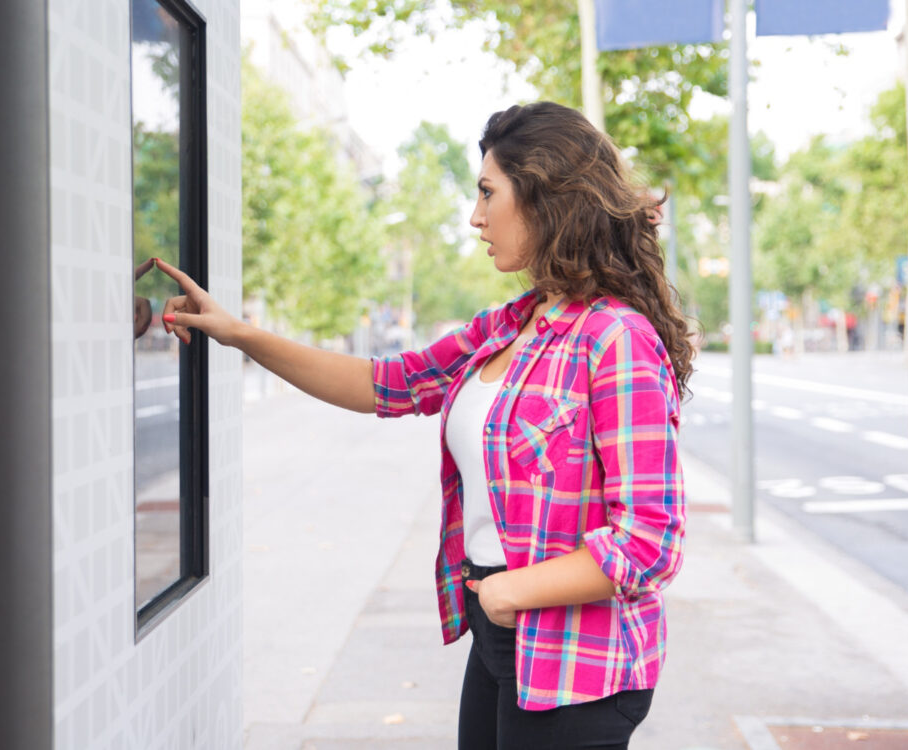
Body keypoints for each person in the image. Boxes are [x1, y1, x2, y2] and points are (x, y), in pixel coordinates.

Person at [153, 101, 691, 750]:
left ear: (547, 197)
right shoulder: (508, 326)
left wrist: (511, 590)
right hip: (500, 639)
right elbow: (384, 384)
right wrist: (237, 333)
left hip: (576, 664)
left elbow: (650, 540)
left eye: (489, 193)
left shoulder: (615, 339)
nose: (476, 216)